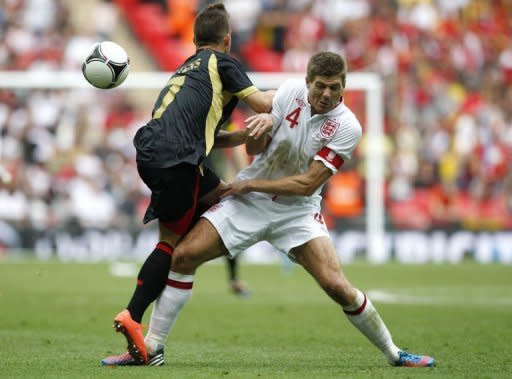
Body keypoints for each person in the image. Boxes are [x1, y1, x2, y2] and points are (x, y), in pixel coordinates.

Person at [103, 51, 435, 368]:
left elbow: (307, 184)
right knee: (184, 256)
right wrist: (235, 133)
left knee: (336, 285)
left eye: (334, 87)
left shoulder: (348, 127)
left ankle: (394, 353)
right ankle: (153, 347)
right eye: (320, 85)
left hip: (297, 211)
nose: (326, 93)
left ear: (343, 87)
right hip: (249, 203)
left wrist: (250, 184)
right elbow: (252, 142)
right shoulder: (289, 93)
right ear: (307, 82)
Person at [101, 2, 274, 366]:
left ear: (195, 39)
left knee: (223, 193)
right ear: (227, 40)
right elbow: (262, 104)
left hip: (154, 151)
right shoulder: (223, 63)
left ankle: (149, 330)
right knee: (172, 246)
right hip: (178, 158)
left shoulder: (186, 68)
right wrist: (295, 96)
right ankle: (133, 317)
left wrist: (240, 136)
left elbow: (212, 136)